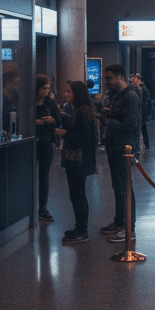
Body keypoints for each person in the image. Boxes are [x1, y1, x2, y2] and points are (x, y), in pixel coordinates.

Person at [102, 65, 143, 240]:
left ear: (121, 77)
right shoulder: (117, 97)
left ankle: (129, 228)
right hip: (115, 147)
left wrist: (110, 121)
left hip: (124, 148)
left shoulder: (131, 96)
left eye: (110, 78)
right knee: (118, 187)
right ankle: (120, 221)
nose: (107, 82)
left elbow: (131, 124)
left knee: (125, 187)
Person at [60, 81, 97, 243]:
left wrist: (65, 134)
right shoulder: (80, 111)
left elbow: (84, 138)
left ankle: (82, 230)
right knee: (76, 194)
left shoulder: (82, 112)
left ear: (76, 93)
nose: (66, 94)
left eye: (69, 91)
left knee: (78, 194)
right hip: (78, 160)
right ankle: (79, 228)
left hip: (79, 160)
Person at [35, 74, 65, 223]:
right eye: (43, 88)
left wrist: (51, 120)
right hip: (32, 142)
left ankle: (43, 207)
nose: (46, 91)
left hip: (46, 142)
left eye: (48, 88)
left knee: (44, 177)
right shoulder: (30, 103)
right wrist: (35, 122)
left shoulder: (50, 103)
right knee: (31, 176)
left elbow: (58, 120)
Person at [131, 74, 151, 150]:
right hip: (143, 112)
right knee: (143, 128)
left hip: (140, 112)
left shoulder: (139, 89)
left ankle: (139, 145)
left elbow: (142, 102)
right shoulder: (143, 88)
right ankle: (146, 144)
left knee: (140, 128)